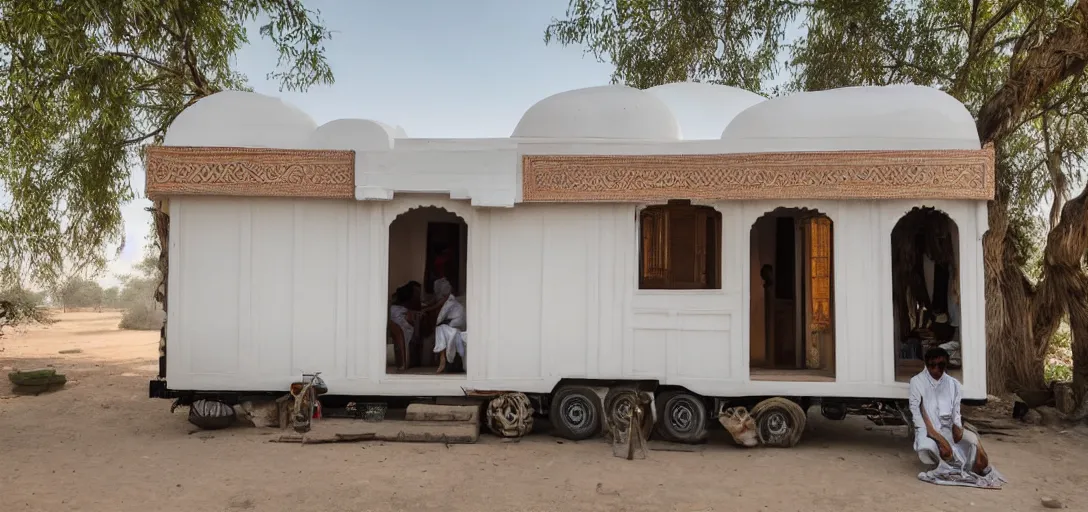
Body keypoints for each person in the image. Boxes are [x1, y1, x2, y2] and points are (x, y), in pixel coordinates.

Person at [909, 347, 1005, 488]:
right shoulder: (916, 382)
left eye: (941, 365)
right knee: (939, 449)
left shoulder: (953, 384)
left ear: (946, 365)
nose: (936, 369)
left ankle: (965, 468)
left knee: (978, 453)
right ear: (926, 364)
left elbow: (956, 412)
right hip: (927, 428)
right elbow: (915, 411)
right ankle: (947, 466)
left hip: (948, 427)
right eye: (932, 365)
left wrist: (957, 427)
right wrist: (929, 432)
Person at [431, 277, 466, 374]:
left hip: (456, 325)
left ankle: (442, 357)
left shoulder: (449, 302)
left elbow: (440, 318)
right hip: (456, 325)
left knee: (439, 329)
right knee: (442, 330)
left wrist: (437, 322)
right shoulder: (452, 301)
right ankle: (442, 356)